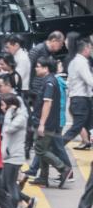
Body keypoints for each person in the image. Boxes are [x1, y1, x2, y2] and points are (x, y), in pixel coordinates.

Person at [31, 58, 69, 188]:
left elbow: (47, 103)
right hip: (49, 121)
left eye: (38, 66)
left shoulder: (49, 82)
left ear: (46, 68)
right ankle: (43, 178)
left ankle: (63, 168)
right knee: (43, 148)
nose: (36, 68)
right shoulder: (50, 80)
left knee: (40, 150)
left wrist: (42, 124)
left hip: (47, 123)